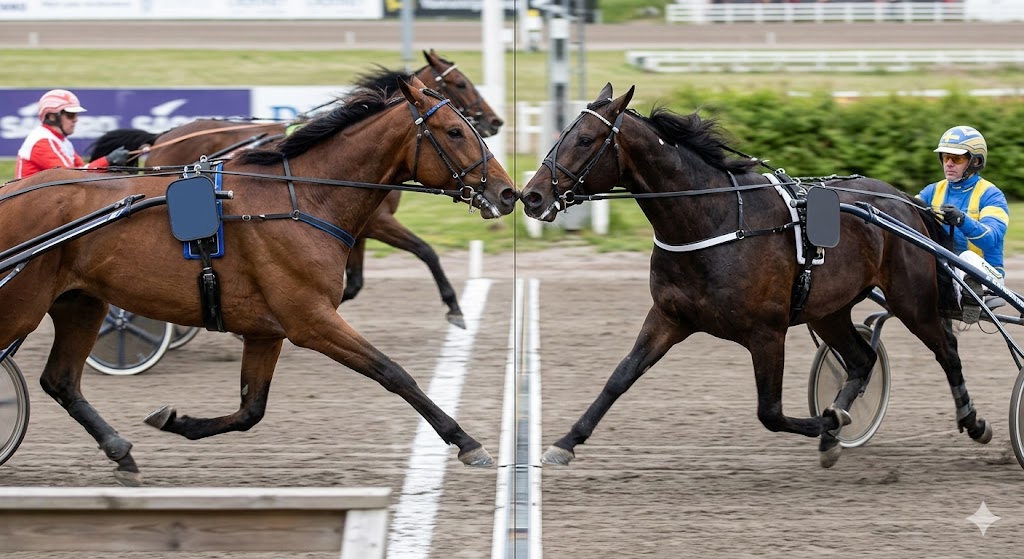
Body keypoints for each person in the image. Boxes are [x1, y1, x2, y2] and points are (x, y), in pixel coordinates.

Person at [917, 125, 1009, 324]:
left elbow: (991, 239)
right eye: (945, 157)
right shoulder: (932, 191)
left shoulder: (991, 195)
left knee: (966, 257)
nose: (949, 164)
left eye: (956, 159)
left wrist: (962, 220)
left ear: (975, 161)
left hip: (988, 276)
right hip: (945, 273)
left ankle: (973, 296)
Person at [15, 89, 130, 179]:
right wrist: (107, 161)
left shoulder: (61, 140)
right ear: (52, 116)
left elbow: (81, 170)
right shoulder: (42, 141)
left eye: (76, 115)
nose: (75, 119)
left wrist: (110, 164)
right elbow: (71, 176)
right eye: (70, 115)